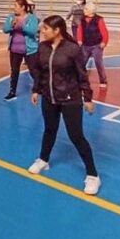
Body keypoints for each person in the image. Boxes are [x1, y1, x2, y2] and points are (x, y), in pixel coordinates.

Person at [28, 15, 100, 196]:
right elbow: (40, 72)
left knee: (76, 136)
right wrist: (36, 90)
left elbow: (82, 76)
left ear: (57, 30)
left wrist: (88, 98)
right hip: (49, 97)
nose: (41, 31)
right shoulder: (43, 47)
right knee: (49, 130)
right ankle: (43, 160)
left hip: (70, 99)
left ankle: (93, 175)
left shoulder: (73, 49)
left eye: (45, 29)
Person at [2, 0, 39, 101]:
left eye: (16, 6)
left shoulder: (32, 18)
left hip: (30, 49)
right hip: (14, 49)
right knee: (14, 71)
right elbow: (5, 29)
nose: (14, 8)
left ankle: (39, 88)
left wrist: (22, 26)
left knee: (33, 71)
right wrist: (12, 26)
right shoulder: (11, 17)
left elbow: (33, 31)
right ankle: (12, 91)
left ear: (22, 7)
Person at [77, 2, 109, 88]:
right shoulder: (82, 19)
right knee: (81, 63)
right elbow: (79, 30)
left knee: (98, 63)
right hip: (85, 45)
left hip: (96, 45)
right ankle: (80, 79)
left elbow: (104, 32)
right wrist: (79, 40)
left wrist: (104, 42)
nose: (84, 10)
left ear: (91, 11)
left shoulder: (99, 19)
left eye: (86, 9)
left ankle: (103, 80)